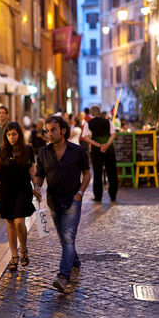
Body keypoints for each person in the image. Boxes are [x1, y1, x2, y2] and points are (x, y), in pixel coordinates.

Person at [34, 116, 90, 293]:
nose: (49, 134)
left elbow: (87, 173)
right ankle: (76, 263)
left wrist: (80, 193)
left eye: (53, 130)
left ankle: (63, 276)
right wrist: (36, 185)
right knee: (64, 239)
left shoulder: (77, 151)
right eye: (47, 130)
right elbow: (40, 173)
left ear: (63, 131)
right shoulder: (43, 152)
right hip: (53, 201)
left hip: (73, 200)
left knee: (68, 237)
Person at [0, 122, 40, 271]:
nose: (11, 137)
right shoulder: (1, 150)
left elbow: (32, 170)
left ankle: (23, 249)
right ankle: (14, 255)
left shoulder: (27, 150)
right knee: (10, 223)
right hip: (7, 189)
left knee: (19, 221)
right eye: (8, 135)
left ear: (19, 134)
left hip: (23, 189)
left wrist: (36, 185)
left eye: (14, 134)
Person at [82, 105, 118, 202]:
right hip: (109, 149)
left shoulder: (88, 123)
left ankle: (98, 196)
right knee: (112, 172)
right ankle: (113, 195)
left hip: (96, 150)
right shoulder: (108, 121)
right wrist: (106, 145)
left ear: (91, 113)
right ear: (100, 112)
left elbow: (86, 137)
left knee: (97, 173)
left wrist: (98, 145)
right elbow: (113, 134)